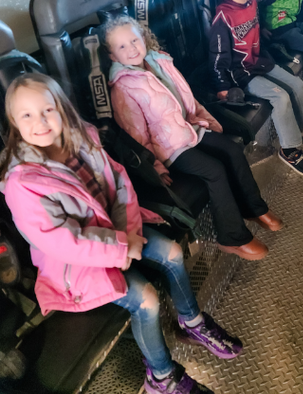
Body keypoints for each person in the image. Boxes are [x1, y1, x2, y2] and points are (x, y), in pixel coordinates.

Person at [0, 73, 236, 394]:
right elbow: (63, 242)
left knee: (173, 254)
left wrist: (128, 233)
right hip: (75, 265)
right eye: (27, 115)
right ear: (14, 123)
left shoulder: (83, 139)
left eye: (48, 110)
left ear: (62, 109)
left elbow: (120, 183)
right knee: (147, 301)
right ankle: (161, 377)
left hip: (117, 230)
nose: (40, 122)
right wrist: (120, 251)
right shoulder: (22, 182)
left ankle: (190, 322)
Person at [103, 16, 280, 262]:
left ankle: (253, 208)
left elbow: (186, 97)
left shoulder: (160, 62)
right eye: (122, 46)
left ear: (143, 39)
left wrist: (207, 118)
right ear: (112, 56)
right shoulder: (123, 88)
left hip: (190, 129)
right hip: (167, 148)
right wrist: (154, 165)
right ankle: (232, 238)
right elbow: (136, 134)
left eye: (134, 40)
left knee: (232, 150)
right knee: (214, 170)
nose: (132, 48)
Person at [209, 0, 303, 178]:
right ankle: (289, 149)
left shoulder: (252, 2)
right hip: (240, 73)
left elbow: (254, 26)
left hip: (259, 61)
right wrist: (223, 86)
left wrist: (261, 32)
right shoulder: (223, 16)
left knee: (296, 84)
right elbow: (218, 54)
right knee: (280, 96)